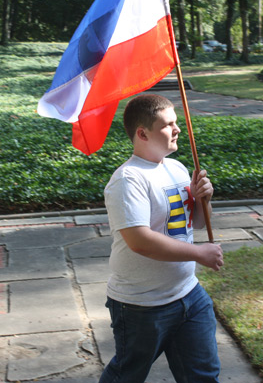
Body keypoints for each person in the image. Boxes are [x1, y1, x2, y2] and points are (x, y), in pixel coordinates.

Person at [99, 94, 224, 383]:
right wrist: (198, 253)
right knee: (127, 375)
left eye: (176, 123)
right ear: (142, 133)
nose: (177, 129)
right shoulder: (128, 179)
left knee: (203, 375)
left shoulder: (176, 167)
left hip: (189, 294)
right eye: (168, 125)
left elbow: (199, 222)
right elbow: (139, 240)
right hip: (141, 305)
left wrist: (204, 199)